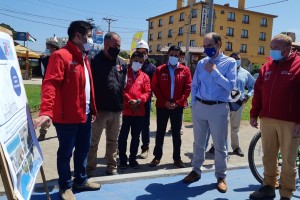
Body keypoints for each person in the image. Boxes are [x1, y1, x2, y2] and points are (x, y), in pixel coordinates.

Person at [33, 20, 101, 200]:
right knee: (65, 152)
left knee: (83, 150)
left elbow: (87, 86)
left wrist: (92, 108)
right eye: (88, 36)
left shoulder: (84, 57)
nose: (90, 40)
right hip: (66, 117)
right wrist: (47, 111)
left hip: (84, 114)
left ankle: (80, 180)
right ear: (78, 36)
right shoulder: (61, 56)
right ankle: (65, 186)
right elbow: (51, 84)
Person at [183, 32, 237, 194]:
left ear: (219, 44)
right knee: (198, 143)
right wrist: (194, 105)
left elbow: (231, 87)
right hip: (200, 106)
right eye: (205, 47)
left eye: (210, 46)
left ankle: (221, 176)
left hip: (219, 107)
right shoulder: (201, 63)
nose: (207, 50)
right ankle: (196, 170)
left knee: (220, 145)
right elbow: (195, 85)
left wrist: (214, 71)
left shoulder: (230, 62)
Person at [249, 34, 300, 200]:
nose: (272, 51)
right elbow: (258, 92)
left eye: (276, 48)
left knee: (288, 160)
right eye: (271, 47)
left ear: (287, 49)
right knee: (268, 156)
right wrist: (254, 114)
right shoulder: (267, 67)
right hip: (267, 119)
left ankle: (286, 194)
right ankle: (268, 186)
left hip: (290, 122)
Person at [87, 32, 127, 176]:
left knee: (113, 142)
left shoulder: (122, 63)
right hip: (99, 111)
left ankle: (112, 167)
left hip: (116, 110)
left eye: (119, 45)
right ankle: (90, 169)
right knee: (92, 143)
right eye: (115, 45)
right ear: (106, 44)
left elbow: (124, 84)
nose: (118, 48)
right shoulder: (94, 61)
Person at [149, 45, 192, 168]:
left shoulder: (185, 70)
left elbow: (188, 88)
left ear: (180, 57)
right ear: (168, 55)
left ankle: (177, 158)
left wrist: (178, 102)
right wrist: (164, 101)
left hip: (177, 107)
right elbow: (155, 87)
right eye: (172, 54)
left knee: (176, 134)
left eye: (176, 55)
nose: (174, 57)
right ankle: (157, 157)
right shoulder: (160, 69)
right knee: (160, 132)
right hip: (162, 106)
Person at [206, 52, 255, 157]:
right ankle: (215, 145)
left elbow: (253, 85)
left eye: (238, 59)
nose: (236, 60)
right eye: (234, 59)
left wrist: (248, 95)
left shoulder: (245, 73)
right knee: (220, 126)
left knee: (235, 127)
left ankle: (236, 147)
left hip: (238, 103)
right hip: (224, 102)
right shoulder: (223, 71)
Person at [118, 51, 151, 169]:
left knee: (136, 137)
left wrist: (139, 101)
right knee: (123, 137)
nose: (138, 63)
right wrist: (130, 101)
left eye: (140, 62)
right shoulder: (124, 73)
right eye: (136, 60)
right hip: (126, 111)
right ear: (131, 60)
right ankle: (122, 159)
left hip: (139, 111)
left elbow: (147, 92)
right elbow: (121, 89)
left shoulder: (145, 76)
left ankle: (132, 159)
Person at [135, 40, 156, 159]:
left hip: (145, 102)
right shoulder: (133, 65)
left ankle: (145, 148)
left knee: (145, 125)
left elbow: (152, 87)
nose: (142, 54)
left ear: (147, 53)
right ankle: (130, 148)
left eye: (144, 52)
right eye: (139, 52)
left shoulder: (152, 68)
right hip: (131, 102)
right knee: (130, 126)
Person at [38, 36, 60, 142]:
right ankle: (43, 132)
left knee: (58, 111)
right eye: (47, 47)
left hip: (59, 90)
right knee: (46, 110)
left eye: (49, 47)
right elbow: (42, 73)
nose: (47, 49)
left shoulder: (60, 58)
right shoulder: (44, 59)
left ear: (54, 48)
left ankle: (60, 130)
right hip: (46, 88)